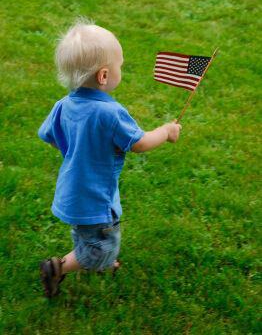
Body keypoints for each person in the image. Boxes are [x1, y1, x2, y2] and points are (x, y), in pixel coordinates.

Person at [38, 18, 182, 298]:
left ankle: (93, 251)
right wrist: (166, 131)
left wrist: (75, 152)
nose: (121, 71)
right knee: (103, 244)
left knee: (86, 232)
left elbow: (49, 134)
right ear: (104, 76)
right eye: (121, 66)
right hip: (95, 195)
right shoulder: (110, 113)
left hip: (72, 188)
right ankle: (62, 266)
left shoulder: (64, 104)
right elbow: (139, 143)